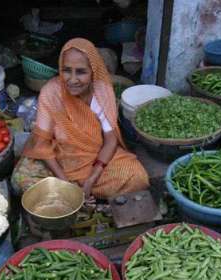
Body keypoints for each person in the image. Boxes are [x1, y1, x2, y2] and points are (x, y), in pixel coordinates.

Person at [12, 38, 149, 200]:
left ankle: (80, 192)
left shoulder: (102, 91)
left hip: (95, 157)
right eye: (67, 70)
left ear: (93, 72)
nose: (72, 79)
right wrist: (65, 183)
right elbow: (42, 144)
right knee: (20, 180)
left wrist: (92, 178)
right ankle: (76, 193)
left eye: (81, 72)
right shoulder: (51, 92)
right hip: (58, 157)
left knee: (137, 177)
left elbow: (110, 140)